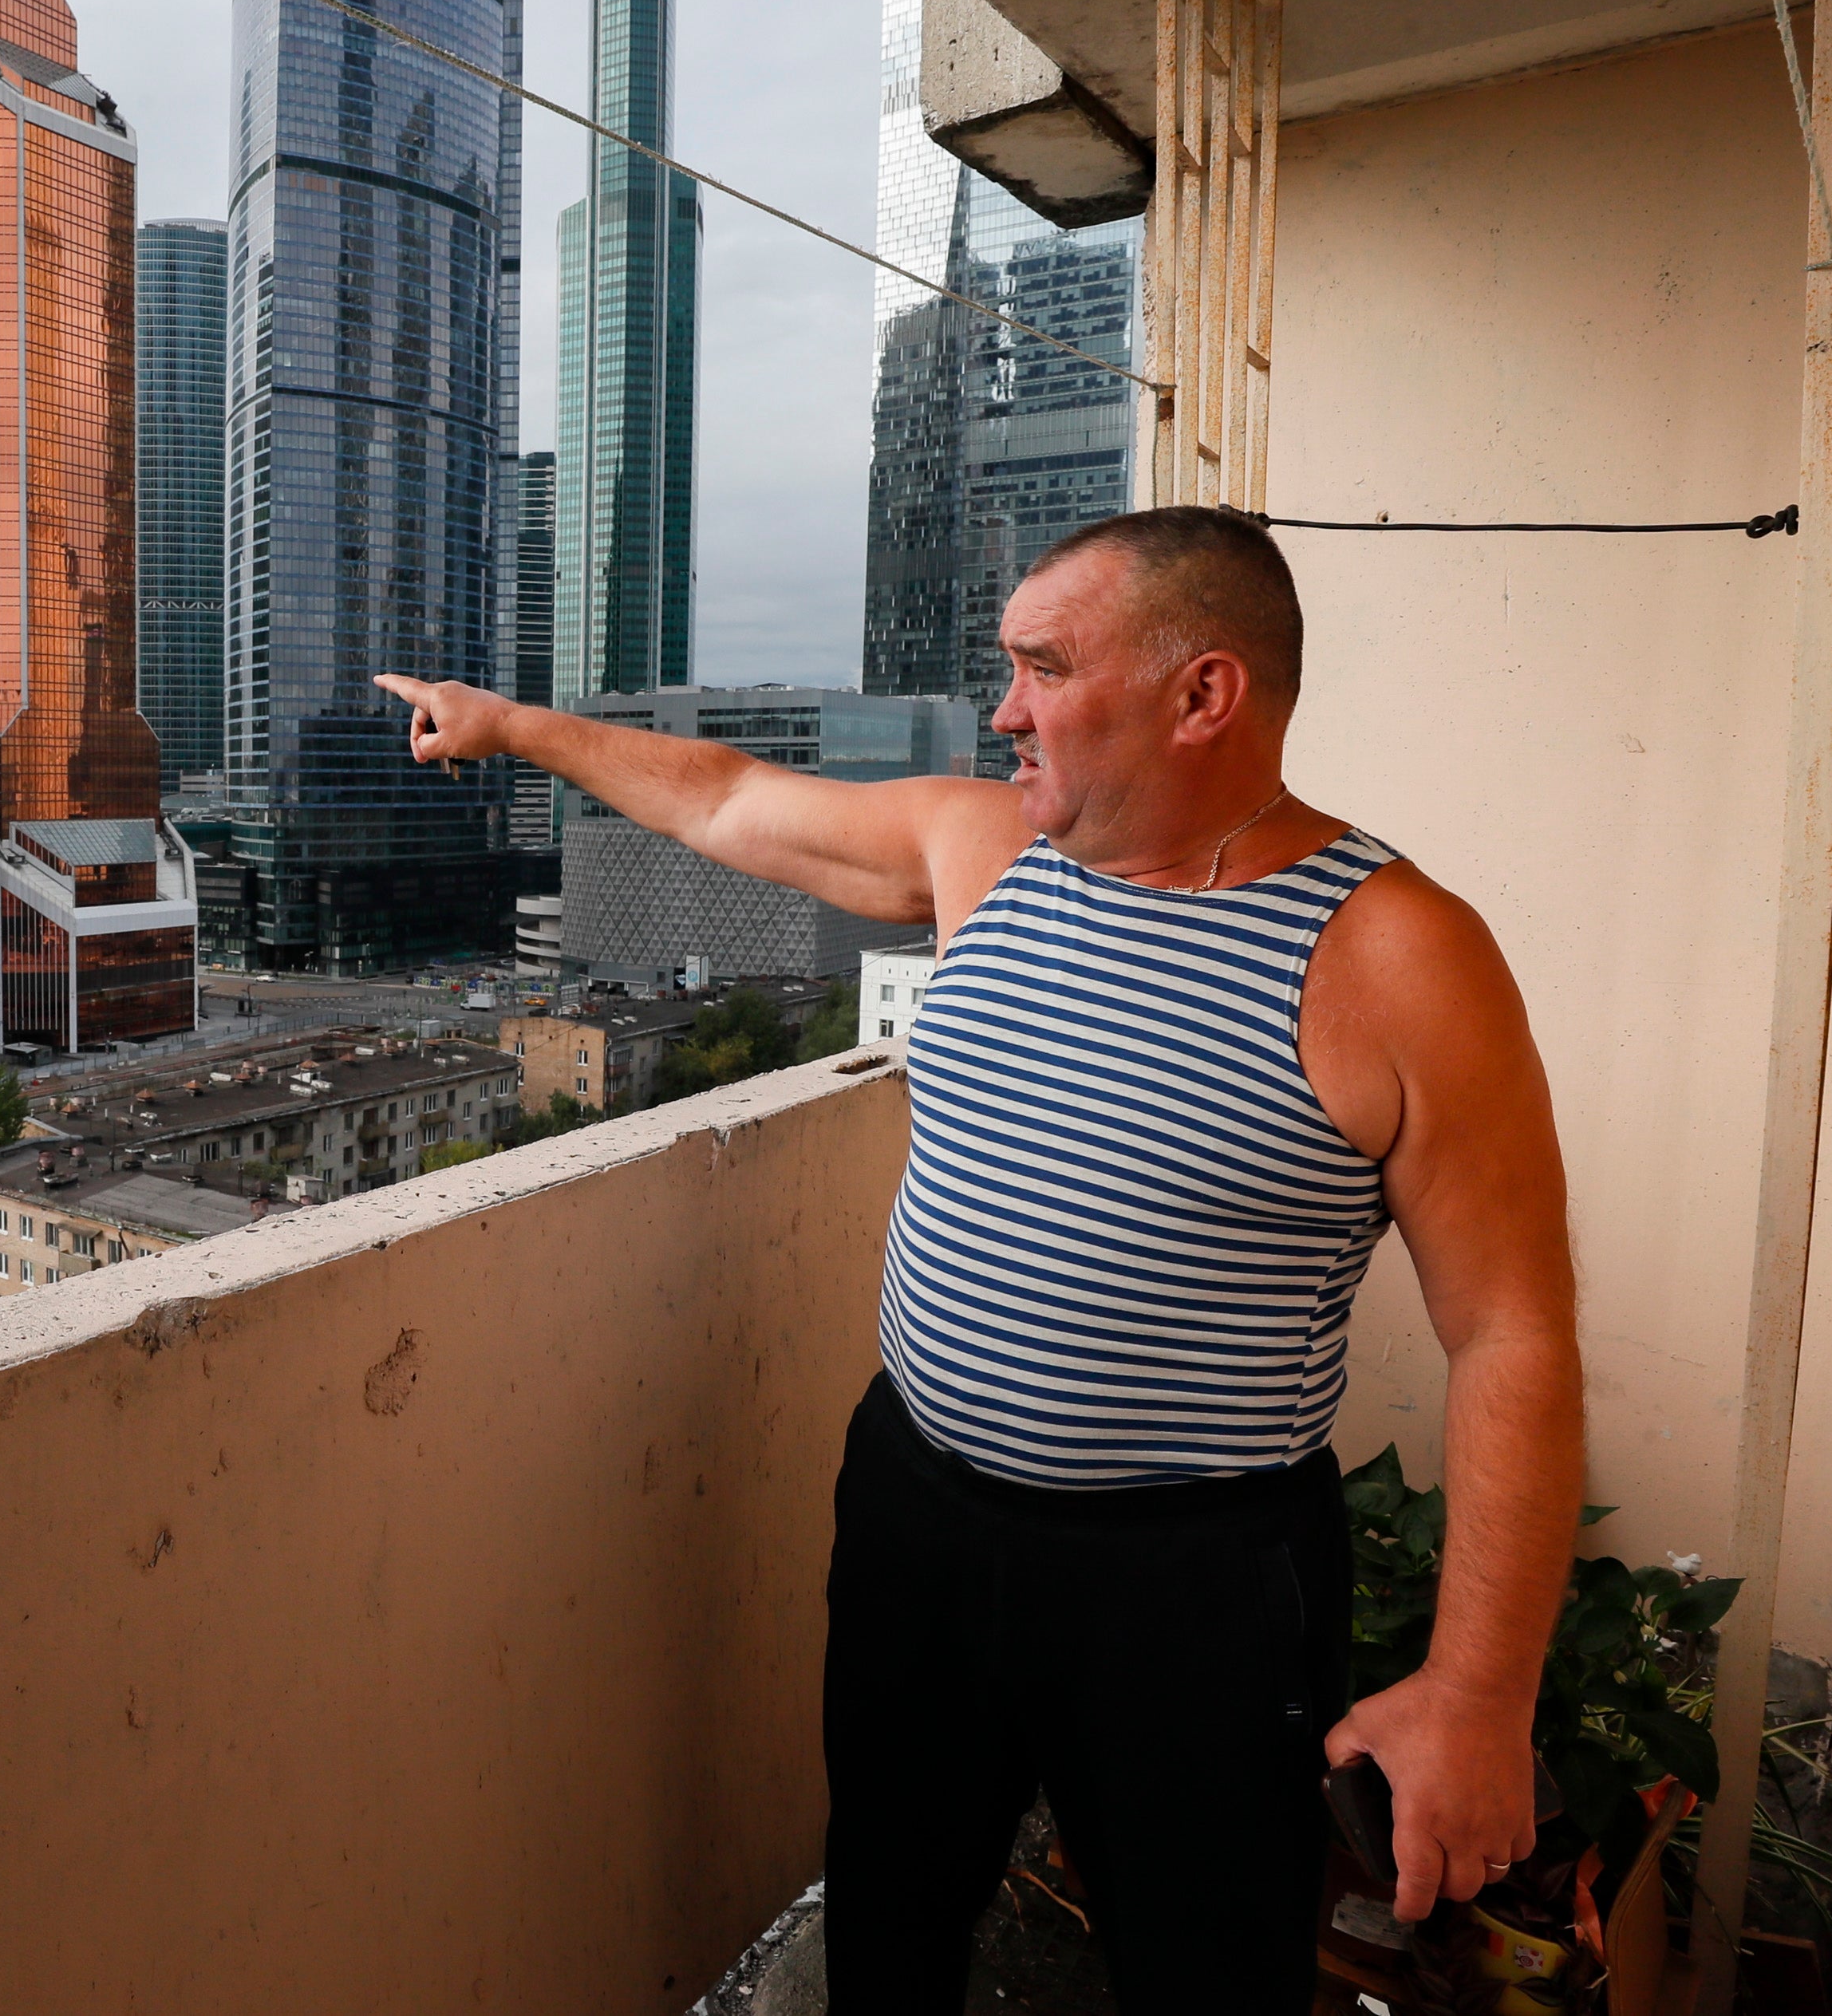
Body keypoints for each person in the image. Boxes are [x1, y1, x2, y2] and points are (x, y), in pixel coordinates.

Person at [379, 507, 1583, 2012]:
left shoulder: (1399, 954)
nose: (1003, 707)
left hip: (1191, 1582)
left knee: (1208, 1965)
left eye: (1044, 669)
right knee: (892, 1906)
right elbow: (733, 800)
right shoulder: (987, 845)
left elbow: (1512, 1332)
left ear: (1201, 694)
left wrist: (1478, 1694)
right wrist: (512, 727)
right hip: (919, 1511)